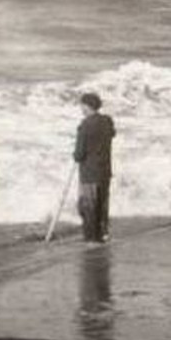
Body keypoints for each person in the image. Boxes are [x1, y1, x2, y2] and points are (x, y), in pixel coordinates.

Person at [73, 91, 115, 244]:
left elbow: (78, 154)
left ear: (88, 106)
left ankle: (91, 238)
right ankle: (103, 234)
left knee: (88, 206)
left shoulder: (85, 125)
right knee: (102, 203)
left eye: (82, 106)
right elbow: (112, 134)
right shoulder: (107, 121)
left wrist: (76, 155)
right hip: (105, 170)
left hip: (89, 172)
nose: (81, 109)